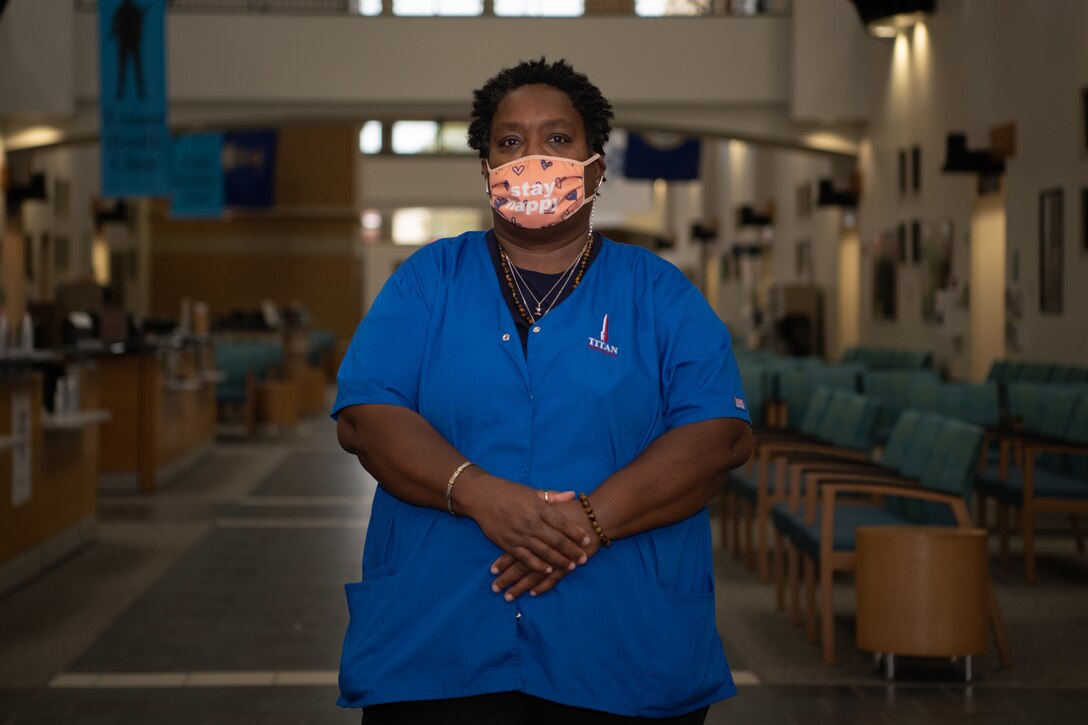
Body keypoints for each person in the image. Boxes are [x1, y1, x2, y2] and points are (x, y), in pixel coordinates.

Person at [333, 58, 753, 724]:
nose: (533, 157)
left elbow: (717, 434)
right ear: (485, 169)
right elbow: (365, 414)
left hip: (620, 650)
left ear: (596, 166)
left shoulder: (660, 293)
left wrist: (591, 520)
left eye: (558, 139)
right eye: (509, 142)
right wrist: (479, 493)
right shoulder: (428, 281)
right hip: (437, 646)